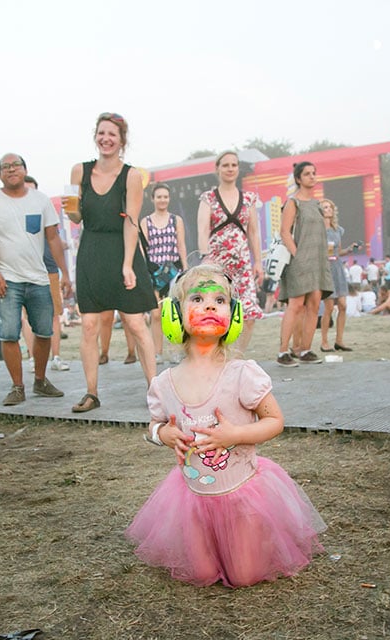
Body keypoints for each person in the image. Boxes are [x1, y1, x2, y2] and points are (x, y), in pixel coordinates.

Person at [125, 264, 326, 588]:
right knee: (202, 574)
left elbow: (275, 421)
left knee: (244, 576)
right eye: (198, 299)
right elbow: (153, 426)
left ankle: (260, 532)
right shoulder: (164, 383)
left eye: (220, 300)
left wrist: (235, 434)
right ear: (175, 315)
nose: (209, 305)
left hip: (242, 492)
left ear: (232, 316)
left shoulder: (242, 374)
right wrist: (162, 434)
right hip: (192, 496)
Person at [63, 113, 157, 413]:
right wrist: (71, 213)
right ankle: (91, 393)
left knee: (135, 323)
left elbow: (131, 222)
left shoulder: (132, 176)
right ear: (96, 136)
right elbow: (77, 217)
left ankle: (155, 390)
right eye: (101, 133)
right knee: (89, 325)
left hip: (122, 249)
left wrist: (128, 264)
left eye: (112, 134)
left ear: (122, 141)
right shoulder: (79, 171)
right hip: (91, 250)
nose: (106, 138)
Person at [0, 153, 71, 406]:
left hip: (38, 278)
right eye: (5, 167)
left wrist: (65, 274)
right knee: (8, 334)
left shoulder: (41, 201)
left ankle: (40, 381)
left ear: (25, 169)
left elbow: (53, 239)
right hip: (6, 279)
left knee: (43, 331)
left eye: (16, 165)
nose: (11, 169)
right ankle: (17, 386)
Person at [197, 151, 265, 353]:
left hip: (242, 263)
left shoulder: (249, 199)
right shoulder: (208, 197)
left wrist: (258, 262)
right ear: (217, 168)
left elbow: (253, 232)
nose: (230, 169)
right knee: (216, 313)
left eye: (234, 165)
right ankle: (216, 354)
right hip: (216, 263)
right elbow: (202, 230)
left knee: (249, 315)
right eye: (225, 165)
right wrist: (205, 258)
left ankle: (237, 358)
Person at [276, 162, 333, 367]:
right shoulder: (293, 203)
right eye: (307, 174)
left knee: (314, 304)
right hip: (300, 261)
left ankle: (306, 349)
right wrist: (297, 255)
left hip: (318, 261)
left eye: (314, 173)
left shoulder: (318, 204)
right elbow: (284, 231)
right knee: (296, 304)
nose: (312, 177)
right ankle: (283, 351)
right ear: (298, 179)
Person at [22, 174, 69, 372]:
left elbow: (55, 239)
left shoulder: (46, 210)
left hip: (49, 269)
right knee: (27, 317)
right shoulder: (12, 214)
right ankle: (33, 359)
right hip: (24, 270)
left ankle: (56, 357)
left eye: (32, 189)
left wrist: (64, 271)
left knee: (54, 315)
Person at [142, 182, 188, 364]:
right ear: (153, 199)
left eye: (165, 197)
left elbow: (181, 244)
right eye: (159, 196)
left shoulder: (176, 220)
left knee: (175, 312)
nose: (162, 200)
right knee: (155, 314)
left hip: (173, 270)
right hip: (154, 271)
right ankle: (157, 353)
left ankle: (176, 350)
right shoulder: (145, 222)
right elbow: (143, 249)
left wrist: (185, 268)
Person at [318, 199, 357, 352]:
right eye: (325, 208)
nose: (328, 210)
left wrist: (348, 249)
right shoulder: (318, 230)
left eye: (330, 207)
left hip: (338, 267)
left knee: (343, 305)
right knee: (328, 307)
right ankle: (324, 342)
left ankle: (339, 341)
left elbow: (338, 251)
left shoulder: (338, 230)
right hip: (325, 268)